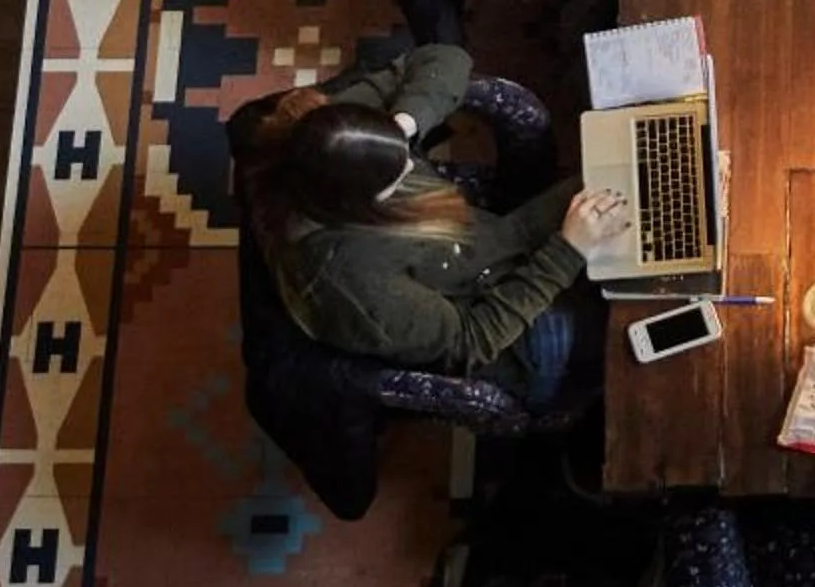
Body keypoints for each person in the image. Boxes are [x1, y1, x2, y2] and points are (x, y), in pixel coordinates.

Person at [235, 39, 624, 408]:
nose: (412, 167)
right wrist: (567, 253)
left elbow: (444, 57)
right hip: (511, 335)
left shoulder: (326, 131)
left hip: (500, 242)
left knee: (635, 173)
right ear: (355, 207)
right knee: (640, 329)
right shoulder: (351, 286)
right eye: (394, 180)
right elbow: (472, 341)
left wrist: (402, 125)